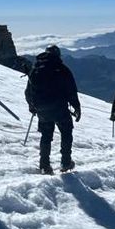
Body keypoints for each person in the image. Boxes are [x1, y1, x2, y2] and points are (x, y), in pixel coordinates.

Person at [25, 45, 81, 174]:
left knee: (46, 136)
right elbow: (71, 90)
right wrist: (77, 107)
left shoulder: (35, 69)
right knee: (66, 133)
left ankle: (44, 165)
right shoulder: (61, 69)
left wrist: (32, 106)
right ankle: (65, 162)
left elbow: (28, 91)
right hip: (60, 108)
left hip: (42, 110)